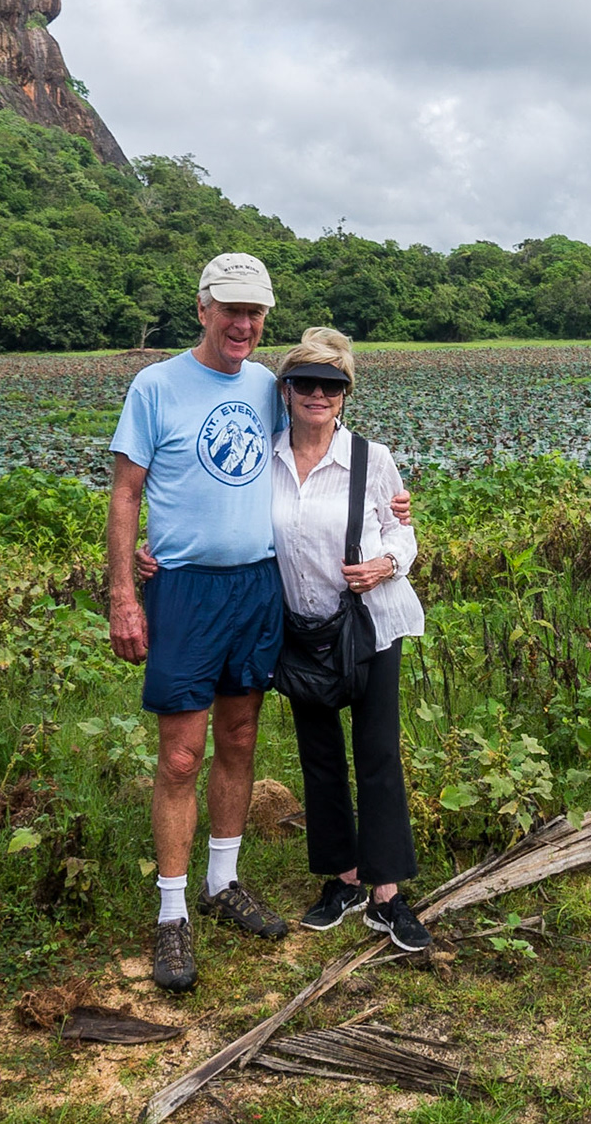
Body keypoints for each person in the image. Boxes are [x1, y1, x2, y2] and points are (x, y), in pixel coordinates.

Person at [106, 253, 408, 994]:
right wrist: (123, 588)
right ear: (203, 307)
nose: (243, 325)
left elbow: (323, 435)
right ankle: (172, 912)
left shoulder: (269, 388)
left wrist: (391, 509)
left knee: (240, 739)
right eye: (231, 310)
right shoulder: (156, 386)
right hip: (185, 591)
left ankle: (222, 881)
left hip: (257, 589)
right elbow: (125, 492)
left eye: (255, 314)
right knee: (181, 756)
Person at [270, 328, 432, 952]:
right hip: (301, 627)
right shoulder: (267, 457)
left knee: (378, 755)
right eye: (305, 383)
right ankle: (341, 879)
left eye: (331, 385)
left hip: (370, 623)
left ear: (345, 395)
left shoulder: (372, 458)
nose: (318, 394)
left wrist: (386, 565)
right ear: (285, 391)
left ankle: (386, 895)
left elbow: (403, 535)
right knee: (319, 756)